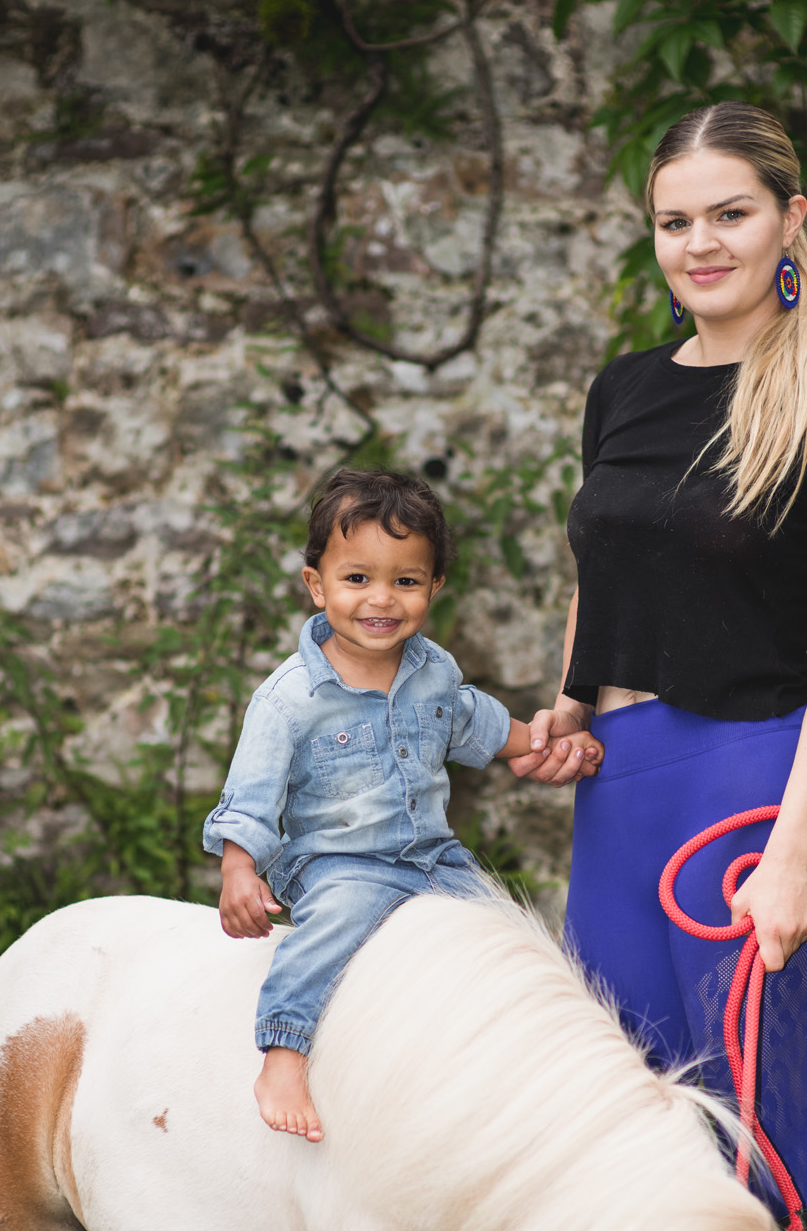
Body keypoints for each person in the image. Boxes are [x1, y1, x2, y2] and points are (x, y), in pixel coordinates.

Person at [511, 101, 807, 1231]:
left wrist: (792, 861)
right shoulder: (625, 389)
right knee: (624, 1132)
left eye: (730, 214)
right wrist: (572, 703)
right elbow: (603, 565)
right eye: (673, 220)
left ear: (790, 219)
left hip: (755, 798)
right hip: (620, 795)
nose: (701, 244)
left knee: (759, 1142)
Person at [204, 466, 602, 1142]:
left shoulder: (433, 671)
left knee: (504, 932)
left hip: (431, 856)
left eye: (405, 581)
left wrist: (538, 748)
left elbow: (473, 722)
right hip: (338, 862)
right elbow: (251, 794)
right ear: (316, 585)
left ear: (433, 587)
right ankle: (282, 1054)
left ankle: (503, 1075)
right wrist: (238, 869)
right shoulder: (289, 698)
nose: (381, 599)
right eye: (357, 578)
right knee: (338, 921)